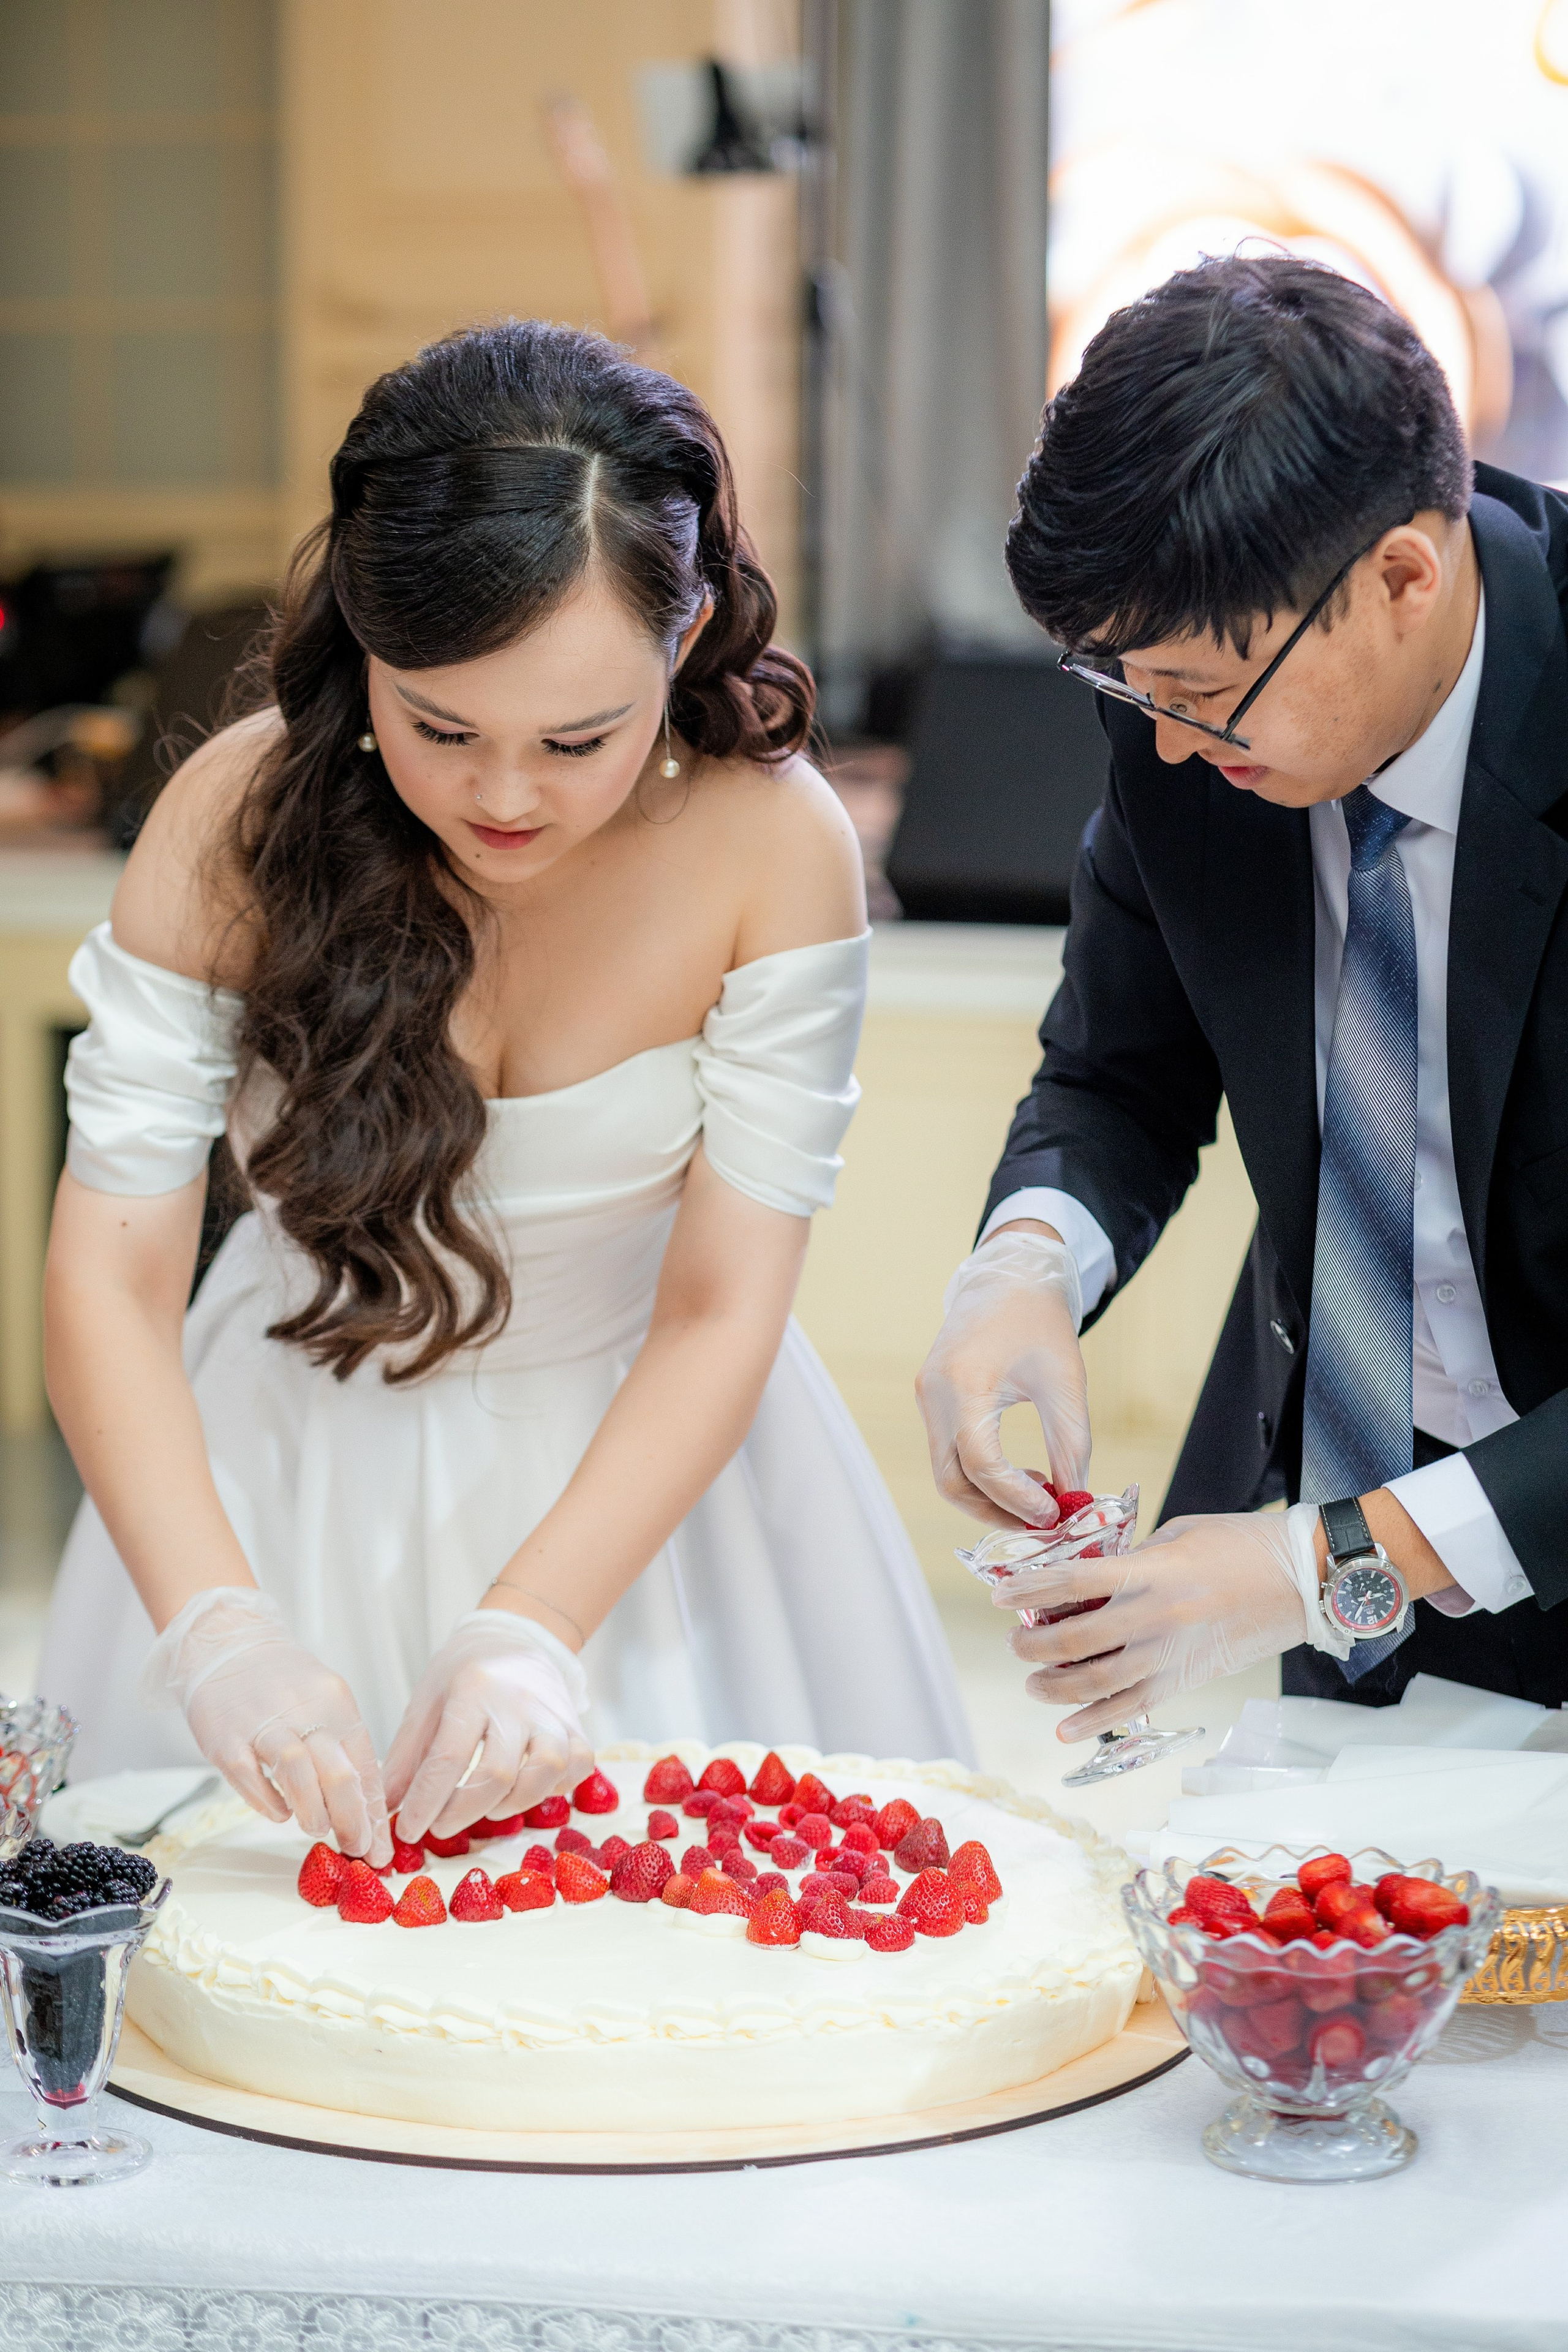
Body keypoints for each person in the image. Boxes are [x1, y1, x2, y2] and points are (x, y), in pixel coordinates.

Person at [41, 320, 970, 1866]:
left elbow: (720, 1302)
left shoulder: (769, 842)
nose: (506, 796)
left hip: (643, 1483)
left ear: (677, 648)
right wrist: (214, 1626)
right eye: (439, 727)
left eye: (577, 737)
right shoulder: (238, 817)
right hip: (274, 1459)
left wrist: (534, 1624)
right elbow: (111, 1272)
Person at [917, 255, 1568, 1744]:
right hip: (1325, 1469)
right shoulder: (1187, 706)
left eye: (1201, 692)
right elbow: (1117, 1076)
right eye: (1128, 686)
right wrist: (1019, 1270)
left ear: (1404, 575)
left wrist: (1320, 1561)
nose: (1162, 745)